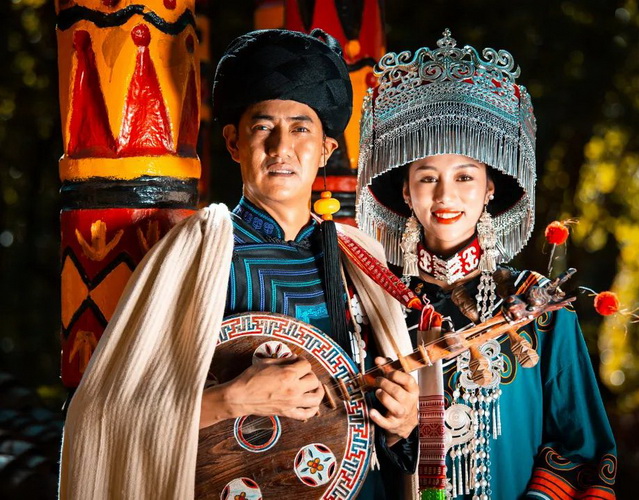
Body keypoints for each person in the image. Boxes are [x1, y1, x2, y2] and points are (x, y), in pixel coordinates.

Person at [60, 29, 419, 500]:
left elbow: (386, 424)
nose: (281, 147)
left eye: (301, 129)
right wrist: (230, 400)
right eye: (262, 127)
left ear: (326, 150)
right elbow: (103, 415)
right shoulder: (195, 254)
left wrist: (401, 425)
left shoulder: (358, 258)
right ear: (233, 142)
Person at [356, 30, 617, 499]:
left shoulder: (537, 308)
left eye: (465, 177)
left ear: (490, 189)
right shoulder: (371, 304)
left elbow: (584, 451)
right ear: (406, 191)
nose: (445, 195)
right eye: (427, 177)